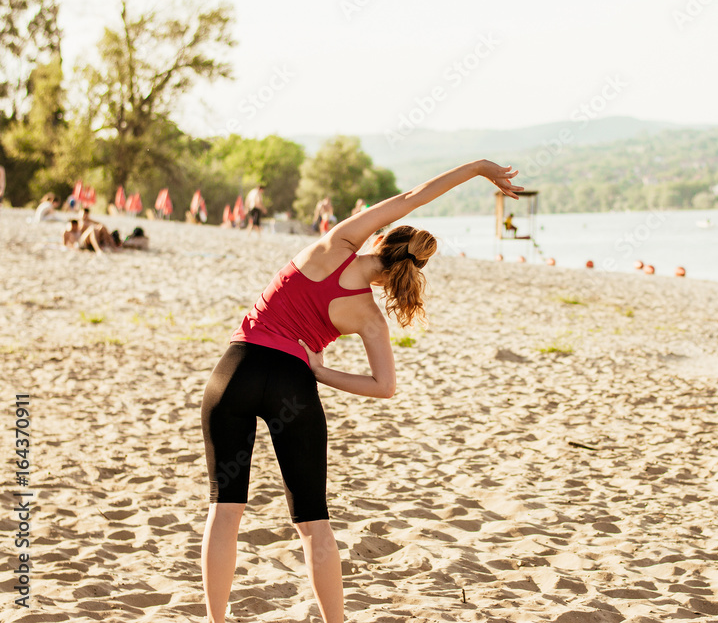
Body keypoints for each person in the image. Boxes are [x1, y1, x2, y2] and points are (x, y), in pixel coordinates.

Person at [200, 160, 521, 623]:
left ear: (381, 240)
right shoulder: (370, 318)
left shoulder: (339, 243)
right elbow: (384, 387)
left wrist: (476, 169)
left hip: (234, 371)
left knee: (225, 509)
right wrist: (319, 372)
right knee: (313, 524)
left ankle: (216, 621)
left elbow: (413, 198)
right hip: (292, 385)